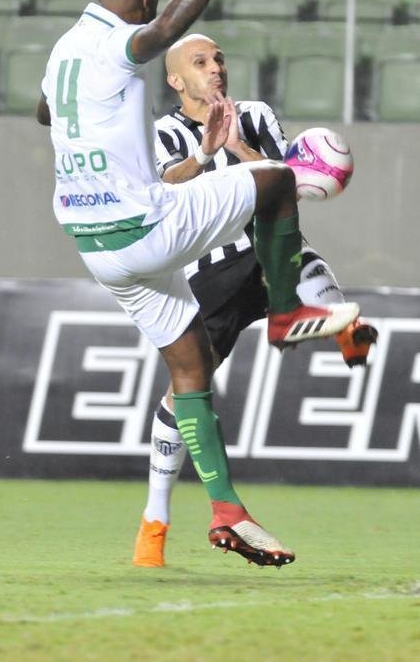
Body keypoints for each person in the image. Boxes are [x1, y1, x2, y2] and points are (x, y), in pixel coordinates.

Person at [38, 0, 360, 567]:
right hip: (142, 225)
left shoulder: (64, 50)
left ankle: (226, 511)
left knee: (188, 367)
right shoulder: (118, 42)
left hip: (96, 245)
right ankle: (288, 310)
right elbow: (159, 33)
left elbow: (46, 109)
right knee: (272, 181)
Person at [132, 33, 378, 568]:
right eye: (200, 62)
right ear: (176, 80)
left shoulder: (259, 115)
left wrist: (241, 147)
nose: (215, 68)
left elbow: (282, 180)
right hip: (206, 275)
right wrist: (206, 152)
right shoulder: (163, 134)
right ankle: (155, 522)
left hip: (259, 255)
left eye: (219, 58)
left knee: (294, 250)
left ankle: (340, 327)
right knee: (185, 395)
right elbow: (164, 190)